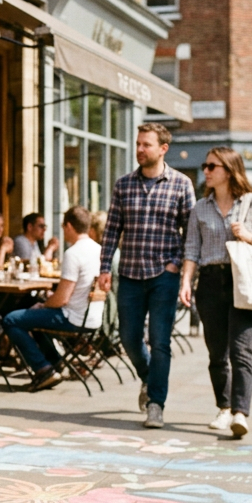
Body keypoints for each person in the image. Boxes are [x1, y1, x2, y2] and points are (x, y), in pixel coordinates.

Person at [96, 122, 195, 430]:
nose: (139, 149)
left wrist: (177, 264)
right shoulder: (124, 185)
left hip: (164, 275)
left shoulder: (181, 184)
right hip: (129, 274)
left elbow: (191, 231)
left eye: (146, 145)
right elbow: (112, 229)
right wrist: (104, 268)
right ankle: (149, 377)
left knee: (160, 341)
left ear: (163, 149)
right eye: (138, 143)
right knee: (128, 338)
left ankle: (156, 404)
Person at [179, 147, 252, 439]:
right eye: (205, 165)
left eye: (212, 166)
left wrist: (249, 236)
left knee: (241, 350)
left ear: (229, 170)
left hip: (243, 281)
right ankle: (223, 407)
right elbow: (191, 250)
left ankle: (240, 412)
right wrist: (186, 282)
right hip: (210, 283)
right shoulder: (200, 208)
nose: (206, 171)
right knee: (217, 353)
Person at [2, 206, 101, 392]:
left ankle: (43, 369)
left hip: (73, 318)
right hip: (93, 317)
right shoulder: (99, 249)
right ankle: (55, 363)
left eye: (63, 227)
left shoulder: (73, 253)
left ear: (69, 226)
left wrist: (44, 304)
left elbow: (61, 299)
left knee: (11, 319)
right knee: (35, 317)